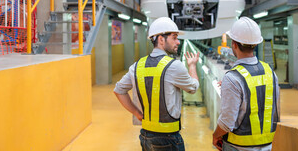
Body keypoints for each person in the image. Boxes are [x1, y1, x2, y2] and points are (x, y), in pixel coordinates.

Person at [114, 17, 199, 151]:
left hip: (146, 136)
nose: (178, 42)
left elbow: (118, 90)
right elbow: (193, 88)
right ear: (161, 39)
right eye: (174, 37)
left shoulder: (136, 66)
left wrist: (136, 112)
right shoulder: (174, 66)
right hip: (169, 139)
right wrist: (192, 66)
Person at [212, 17, 280, 151]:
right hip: (267, 145)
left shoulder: (233, 78)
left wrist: (215, 135)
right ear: (255, 44)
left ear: (234, 45)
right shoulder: (270, 72)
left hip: (238, 147)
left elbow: (226, 123)